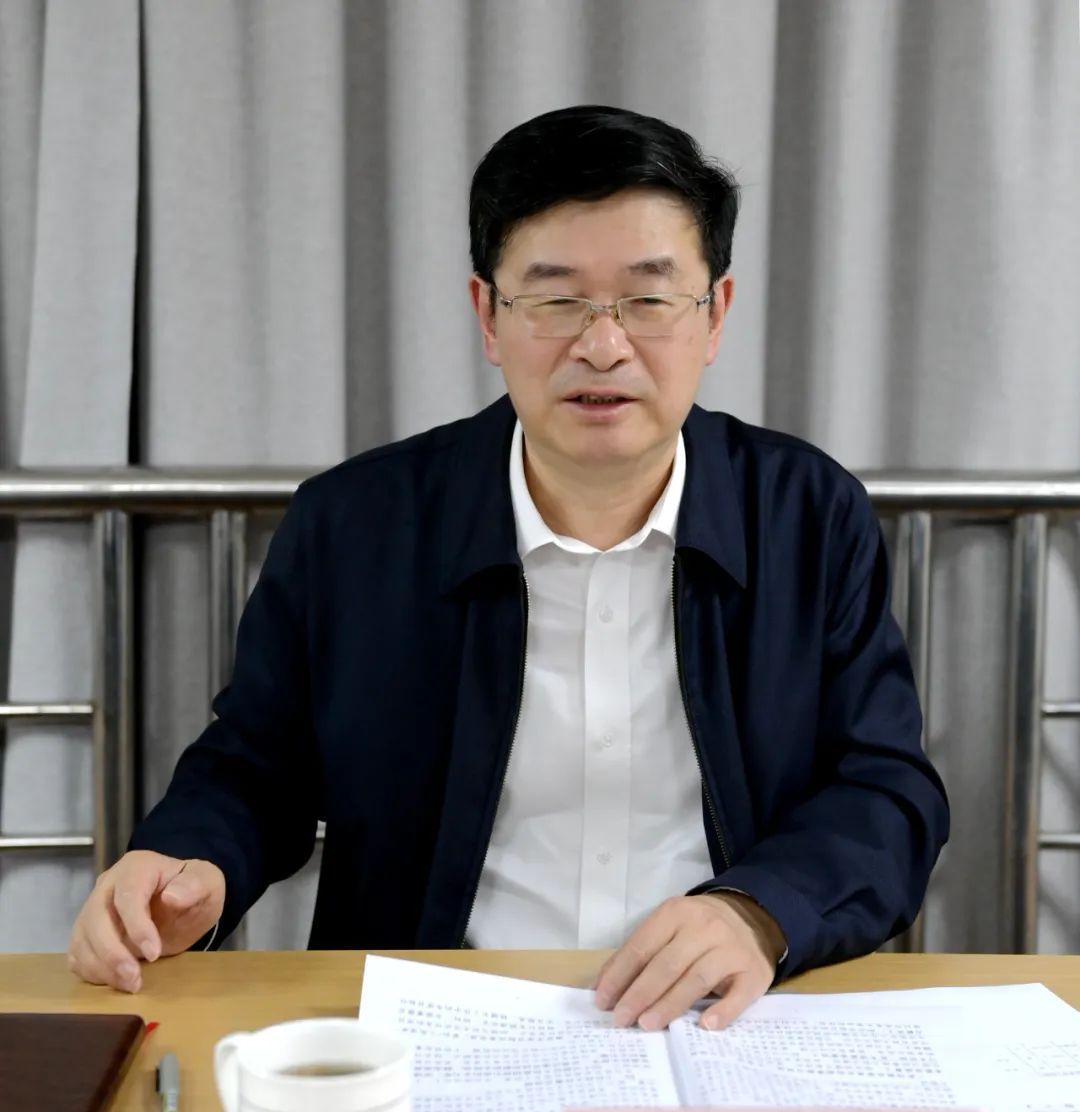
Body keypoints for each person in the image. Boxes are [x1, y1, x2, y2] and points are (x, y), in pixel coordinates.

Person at [68, 105, 948, 1030]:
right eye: (557, 300)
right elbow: (257, 769)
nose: (602, 345)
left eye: (648, 301)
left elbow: (887, 791)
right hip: (438, 1017)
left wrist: (757, 912)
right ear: (489, 315)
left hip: (720, 1017)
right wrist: (189, 861)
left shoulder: (806, 515)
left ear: (714, 315)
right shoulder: (357, 525)